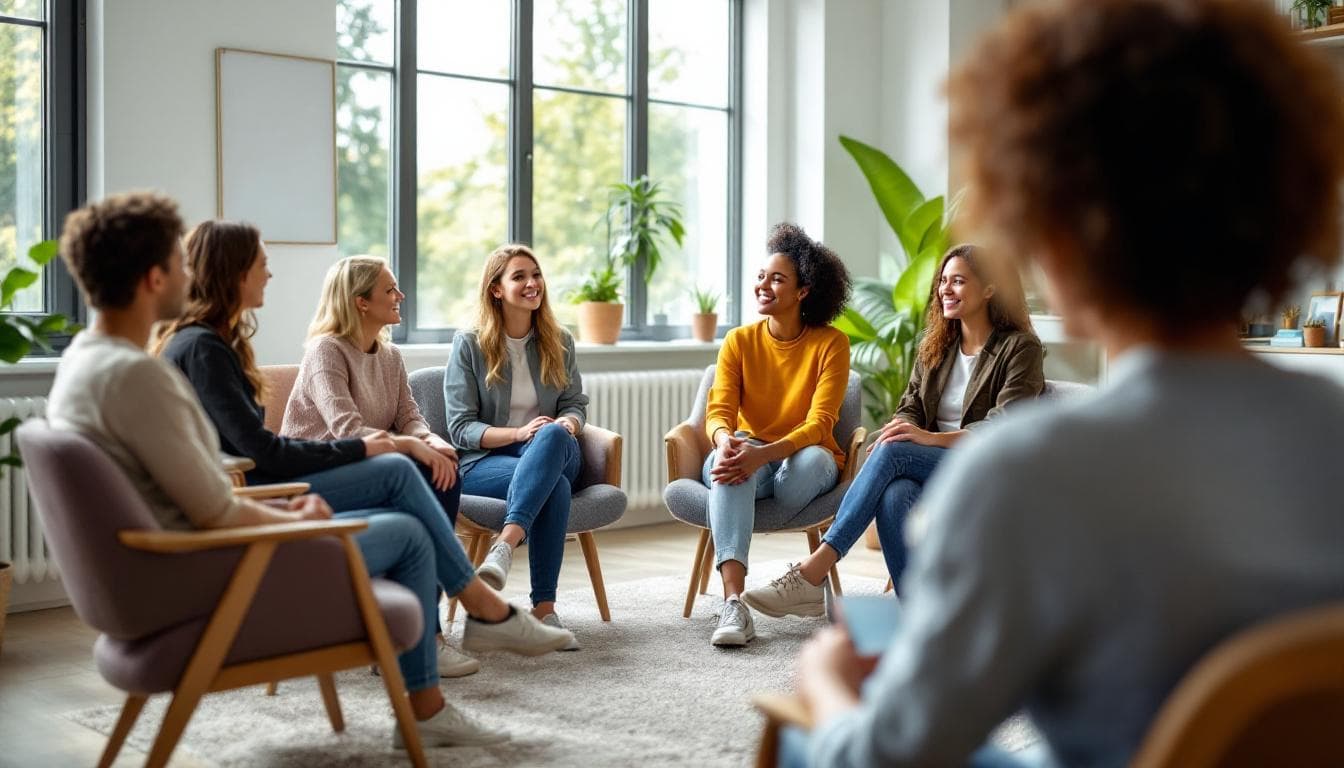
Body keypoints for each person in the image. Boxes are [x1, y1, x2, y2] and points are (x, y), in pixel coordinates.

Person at [787, 1, 1344, 766]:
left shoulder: (1026, 472)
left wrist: (824, 687)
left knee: (802, 735)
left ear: (1057, 228)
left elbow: (887, 756)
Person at [50, 194, 573, 751]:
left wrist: (296, 497)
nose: (190, 275)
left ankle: (450, 670)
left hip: (184, 557)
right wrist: (291, 513)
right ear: (155, 278)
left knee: (407, 506)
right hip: (215, 570)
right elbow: (217, 497)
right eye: (180, 264)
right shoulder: (151, 369)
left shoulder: (95, 361)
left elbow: (210, 475)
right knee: (404, 504)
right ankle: (478, 624)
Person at [154, 220, 532, 678]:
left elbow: (401, 416)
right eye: (262, 265)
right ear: (234, 273)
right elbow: (273, 450)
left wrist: (422, 440)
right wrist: (390, 446)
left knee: (435, 469)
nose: (269, 274)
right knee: (401, 472)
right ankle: (473, 609)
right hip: (269, 490)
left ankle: (428, 633)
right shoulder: (207, 349)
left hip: (281, 475)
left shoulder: (216, 345)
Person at [745, 244, 1042, 615]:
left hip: (988, 468)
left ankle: (814, 571)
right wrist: (903, 429)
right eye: (943, 281)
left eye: (959, 281)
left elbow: (1006, 427)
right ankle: (918, 612)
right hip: (934, 467)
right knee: (894, 493)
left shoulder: (1020, 348)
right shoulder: (937, 345)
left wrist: (928, 439)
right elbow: (910, 408)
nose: (945, 290)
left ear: (989, 289)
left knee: (895, 452)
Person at [698, 223, 852, 648]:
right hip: (752, 452)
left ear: (803, 291)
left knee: (812, 460)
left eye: (777, 279)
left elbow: (821, 423)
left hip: (805, 461)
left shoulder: (832, 344)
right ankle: (734, 604)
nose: (763, 286)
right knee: (728, 465)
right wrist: (724, 441)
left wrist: (764, 456)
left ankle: (745, 482)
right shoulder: (739, 341)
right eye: (761, 276)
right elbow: (718, 412)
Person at [443, 244, 588, 650]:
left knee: (553, 435)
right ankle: (544, 609)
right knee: (555, 487)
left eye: (536, 274)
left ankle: (505, 545)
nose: (532, 283)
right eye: (519, 276)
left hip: (555, 449)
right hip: (487, 461)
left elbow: (575, 404)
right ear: (496, 289)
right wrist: (519, 433)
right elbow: (461, 428)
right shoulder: (469, 344)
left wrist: (567, 423)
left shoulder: (560, 340)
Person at [280, 255, 462, 528]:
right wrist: (410, 445)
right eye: (390, 290)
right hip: (318, 469)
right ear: (361, 302)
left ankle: (429, 553)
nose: (400, 296)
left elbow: (408, 417)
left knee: (443, 466)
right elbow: (347, 431)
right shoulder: (326, 350)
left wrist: (429, 439)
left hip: (365, 460)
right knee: (419, 469)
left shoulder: (391, 356)